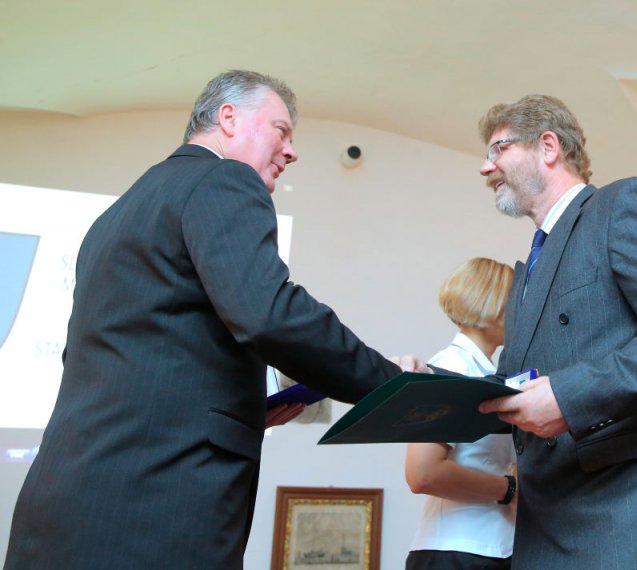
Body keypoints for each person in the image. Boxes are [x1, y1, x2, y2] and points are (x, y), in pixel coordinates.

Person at [3, 70, 423, 570]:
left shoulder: (116, 216)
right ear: (228, 118)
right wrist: (396, 386)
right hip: (157, 505)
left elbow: (123, 362)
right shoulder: (223, 179)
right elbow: (271, 316)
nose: (291, 151)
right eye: (281, 130)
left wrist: (239, 407)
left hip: (64, 506)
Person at [475, 94, 637, 569]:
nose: (485, 166)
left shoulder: (623, 203)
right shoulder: (530, 268)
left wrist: (570, 396)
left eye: (499, 149)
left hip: (630, 533)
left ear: (548, 146)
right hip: (547, 532)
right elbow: (519, 387)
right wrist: (421, 388)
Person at [405, 257, 516, 570]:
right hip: (456, 552)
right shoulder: (450, 368)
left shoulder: (487, 373)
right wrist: (509, 489)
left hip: (493, 547)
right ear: (493, 304)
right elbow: (422, 473)